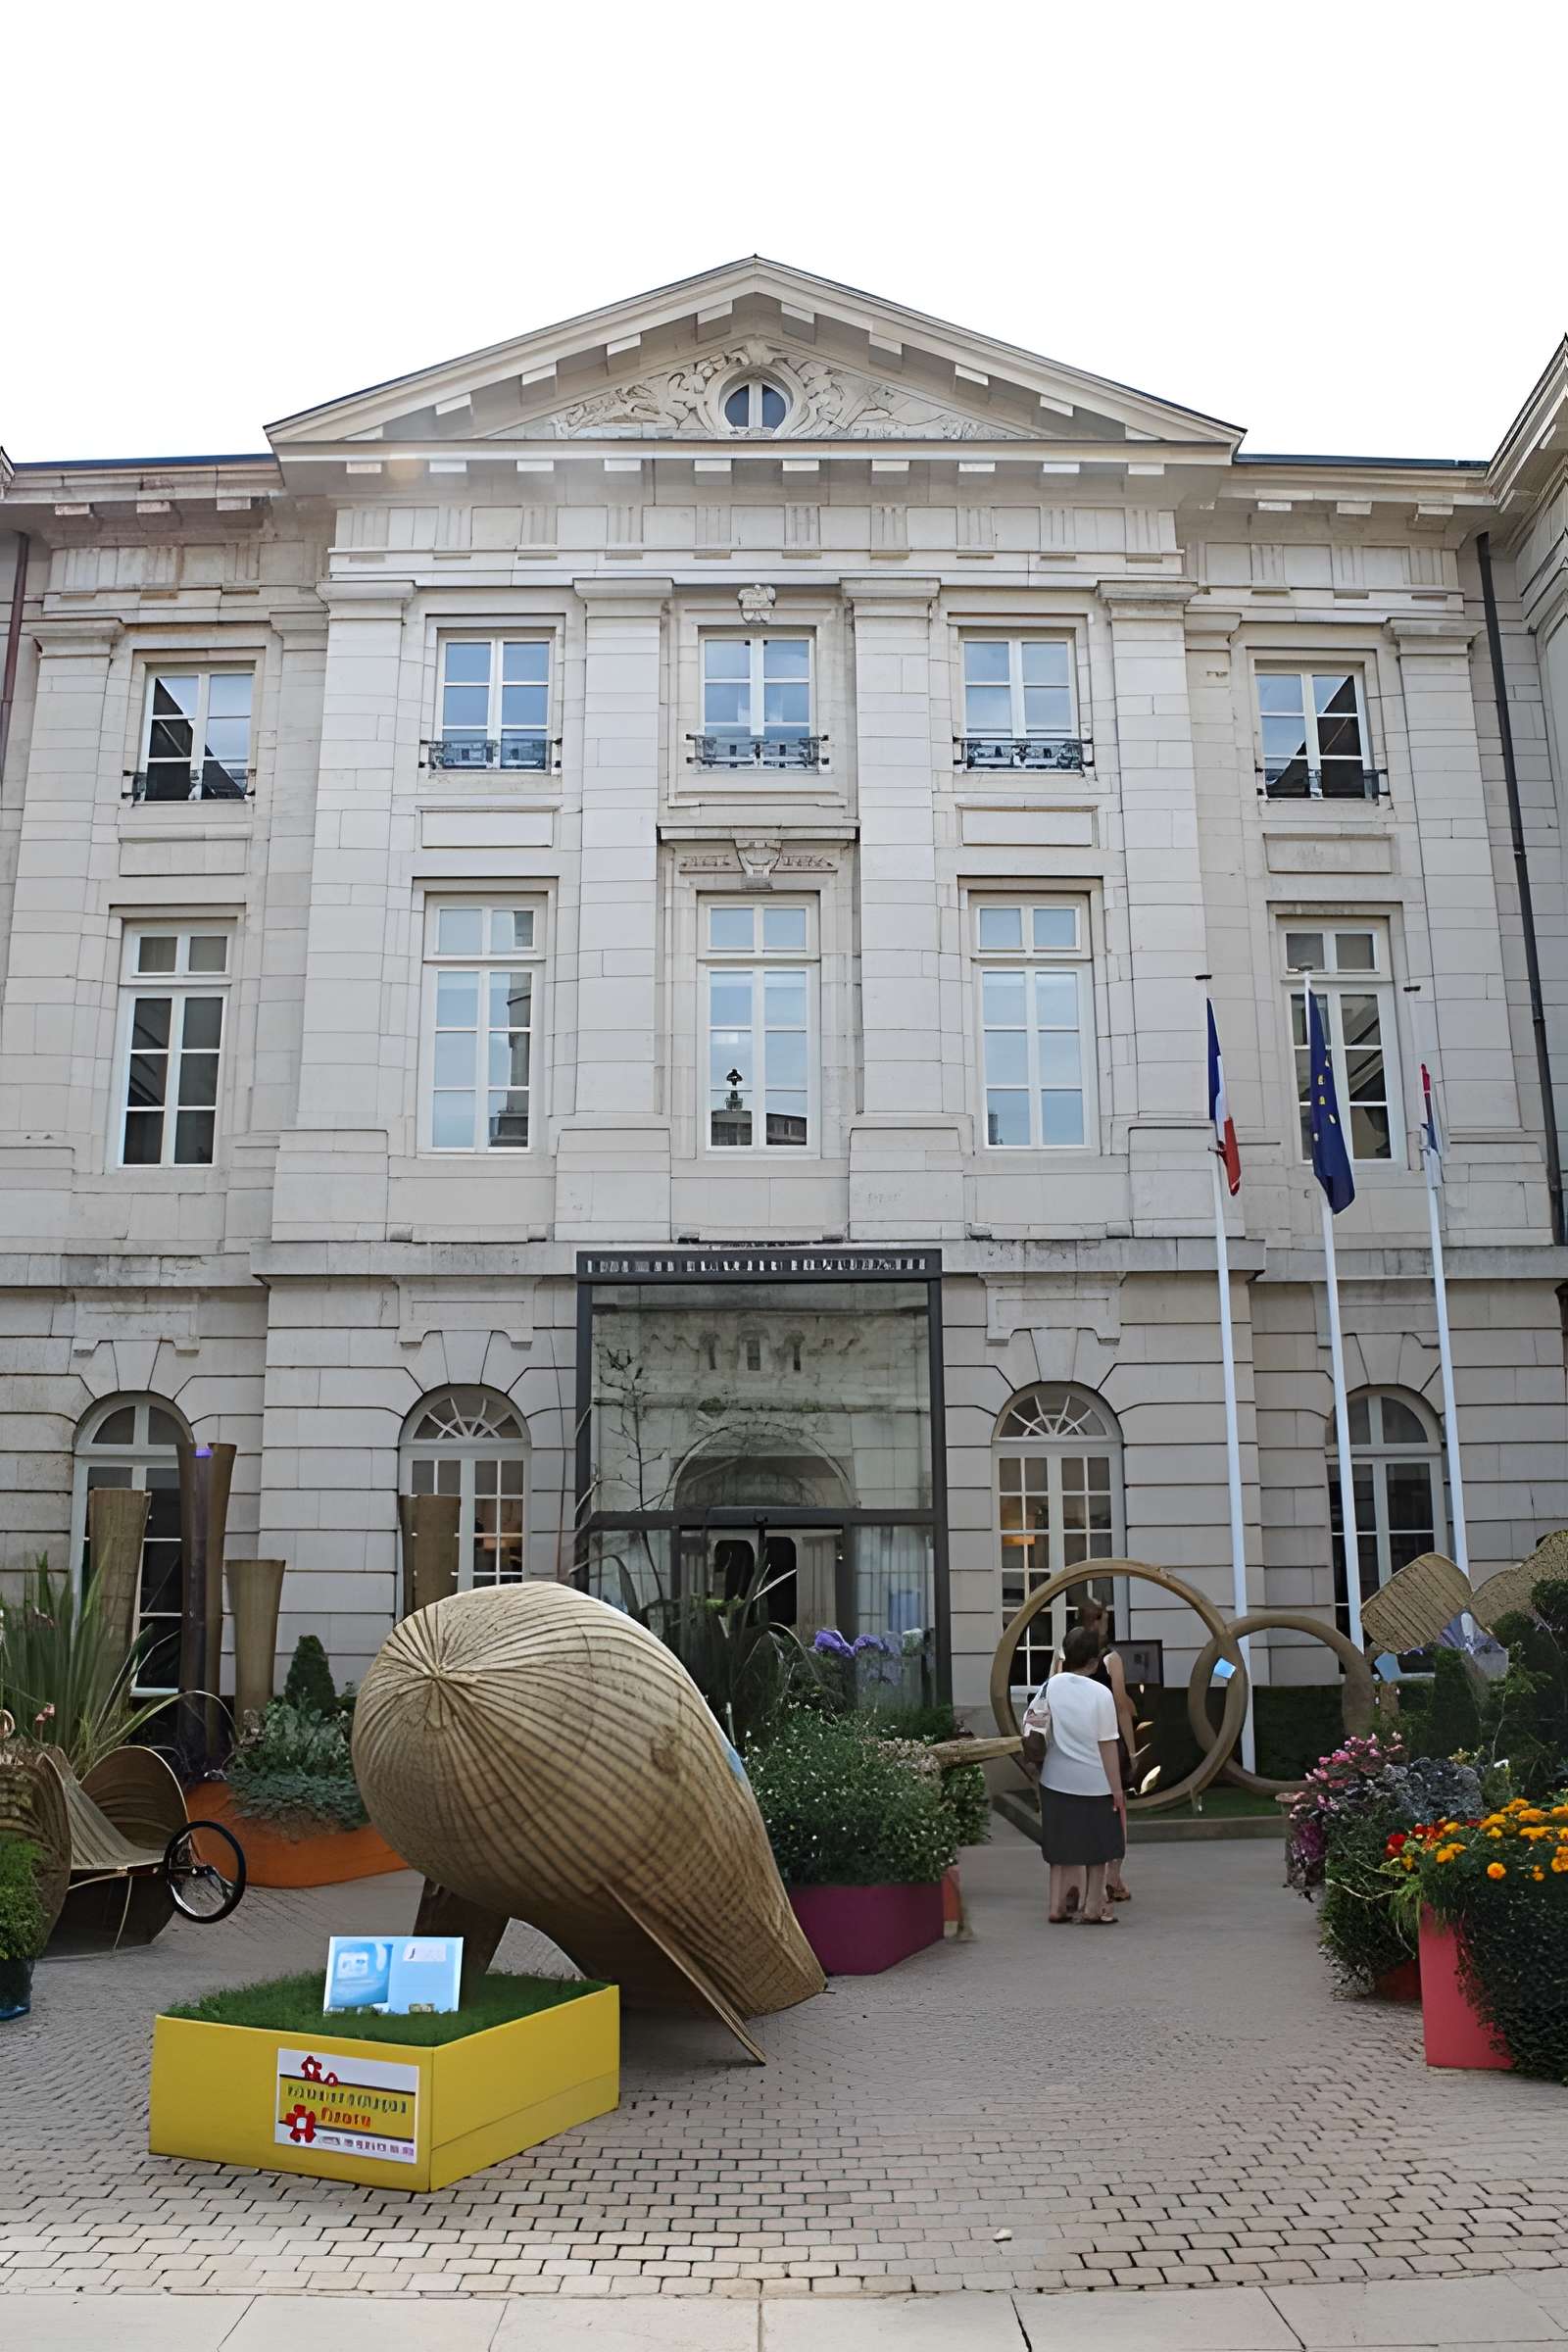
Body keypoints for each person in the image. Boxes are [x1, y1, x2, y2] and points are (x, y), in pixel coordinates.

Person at [1025, 1623, 1127, 1924]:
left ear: (1065, 1655)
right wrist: (1117, 1789)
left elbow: (1034, 1724)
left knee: (1059, 1846)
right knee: (1098, 1847)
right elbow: (1107, 1745)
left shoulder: (1050, 1686)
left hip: (1055, 1779)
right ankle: (1092, 1907)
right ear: (1095, 1661)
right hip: (1095, 1782)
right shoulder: (1101, 1694)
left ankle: (1056, 1906)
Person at [1053, 1596, 1138, 1902]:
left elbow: (1051, 1695)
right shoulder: (1110, 1659)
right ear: (1098, 1621)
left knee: (1077, 1814)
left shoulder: (1062, 1656)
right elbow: (1121, 1707)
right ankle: (1111, 1880)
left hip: (1070, 1744)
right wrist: (1132, 1748)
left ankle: (1075, 1886)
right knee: (1115, 1811)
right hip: (1104, 1741)